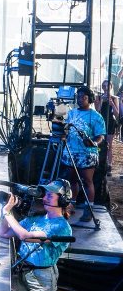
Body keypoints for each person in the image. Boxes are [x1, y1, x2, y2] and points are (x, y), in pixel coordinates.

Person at [59, 86, 105, 223]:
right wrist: (63, 134)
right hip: (71, 151)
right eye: (78, 97)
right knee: (71, 180)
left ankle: (88, 209)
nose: (80, 99)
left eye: (83, 97)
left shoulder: (96, 116)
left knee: (87, 181)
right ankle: (71, 205)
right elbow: (65, 129)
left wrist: (94, 143)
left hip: (87, 154)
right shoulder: (71, 113)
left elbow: (100, 136)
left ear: (90, 99)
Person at [95, 79, 119, 173]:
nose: (105, 88)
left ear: (111, 87)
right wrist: (101, 101)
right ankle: (100, 163)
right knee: (100, 143)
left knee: (109, 145)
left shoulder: (114, 98)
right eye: (104, 86)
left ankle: (109, 164)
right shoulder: (98, 97)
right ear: (102, 87)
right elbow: (97, 112)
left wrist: (112, 103)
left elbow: (117, 114)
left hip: (110, 122)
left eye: (107, 86)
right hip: (101, 123)